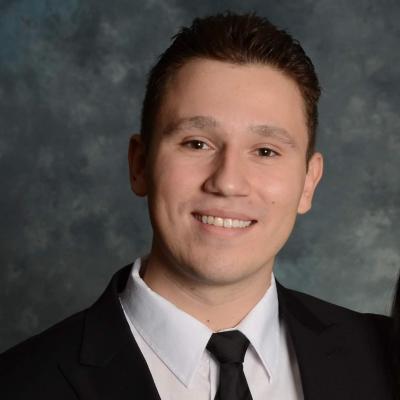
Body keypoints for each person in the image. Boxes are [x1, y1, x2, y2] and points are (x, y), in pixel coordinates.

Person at [0, 12, 393, 400]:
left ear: (308, 183)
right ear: (139, 165)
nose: (227, 181)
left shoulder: (387, 359)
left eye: (266, 151)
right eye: (196, 143)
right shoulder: (19, 384)